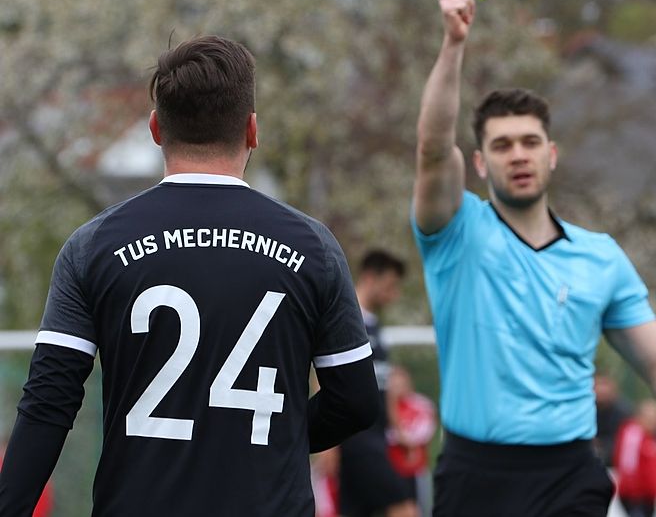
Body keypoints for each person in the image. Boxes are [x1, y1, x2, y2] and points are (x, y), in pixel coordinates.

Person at [0, 35, 380, 516]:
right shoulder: (313, 248)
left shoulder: (93, 246)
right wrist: (271, 435)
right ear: (252, 131)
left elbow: (47, 405)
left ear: (156, 128)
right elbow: (356, 401)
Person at [412, 0, 656, 516]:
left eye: (530, 142)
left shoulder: (600, 257)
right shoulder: (456, 233)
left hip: (570, 476)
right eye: (502, 145)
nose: (518, 155)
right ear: (479, 163)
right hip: (475, 477)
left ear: (552, 154)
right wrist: (453, 44)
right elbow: (432, 147)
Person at [337, 250, 419, 517]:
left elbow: (385, 385)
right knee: (405, 509)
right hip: (357, 438)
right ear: (370, 277)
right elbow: (325, 379)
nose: (394, 295)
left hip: (377, 437)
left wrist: (398, 430)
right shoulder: (345, 318)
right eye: (390, 286)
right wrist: (330, 445)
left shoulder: (375, 325)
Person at [385, 366, 437, 512]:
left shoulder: (421, 405)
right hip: (390, 471)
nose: (396, 388)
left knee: (419, 509)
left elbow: (414, 439)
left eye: (399, 383)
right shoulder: (385, 408)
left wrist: (399, 435)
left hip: (415, 471)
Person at [612, 399, 656, 517]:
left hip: (646, 495)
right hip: (637, 496)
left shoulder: (645, 437)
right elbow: (628, 466)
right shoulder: (633, 435)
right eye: (652, 420)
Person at [594, 373, 633, 467]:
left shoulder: (623, 412)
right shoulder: (585, 410)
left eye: (604, 384)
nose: (601, 389)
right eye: (598, 385)